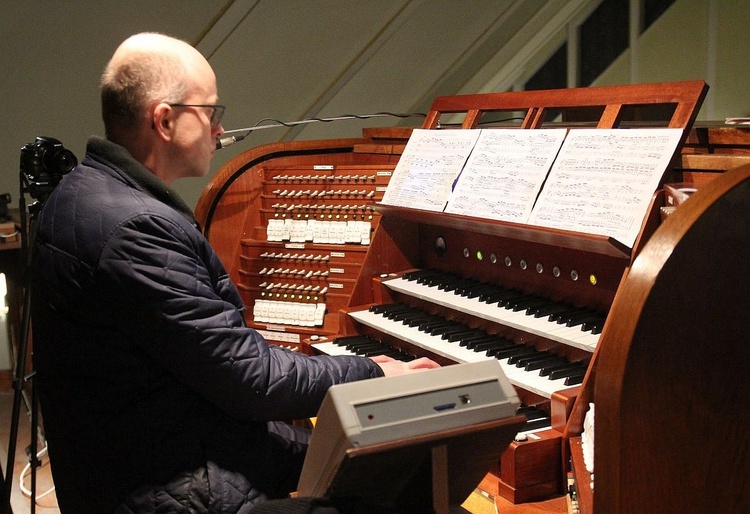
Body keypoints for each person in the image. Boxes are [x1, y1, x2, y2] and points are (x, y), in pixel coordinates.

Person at [30, 32, 438, 514]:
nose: (220, 131)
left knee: (379, 460)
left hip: (151, 453)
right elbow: (252, 379)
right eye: (210, 112)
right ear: (164, 120)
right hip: (173, 489)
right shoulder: (136, 227)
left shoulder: (81, 191)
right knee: (406, 478)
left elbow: (219, 361)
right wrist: (372, 371)